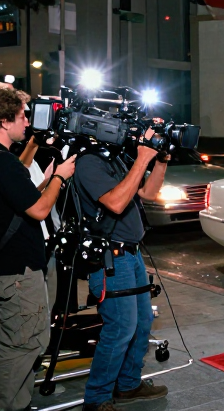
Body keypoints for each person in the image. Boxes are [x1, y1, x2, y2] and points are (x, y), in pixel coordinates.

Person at [0, 88, 77, 411]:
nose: (27, 122)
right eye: (21, 117)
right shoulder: (3, 163)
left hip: (4, 266)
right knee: (22, 345)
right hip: (16, 271)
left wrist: (43, 180)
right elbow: (40, 210)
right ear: (4, 122)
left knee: (20, 341)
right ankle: (6, 406)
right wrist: (59, 176)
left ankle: (18, 403)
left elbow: (17, 200)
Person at [75, 129, 170, 410]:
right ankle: (97, 398)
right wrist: (141, 159)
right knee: (120, 329)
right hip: (110, 257)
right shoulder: (89, 162)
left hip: (132, 253)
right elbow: (115, 203)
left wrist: (160, 161)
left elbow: (148, 193)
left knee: (141, 323)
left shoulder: (116, 158)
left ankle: (128, 385)